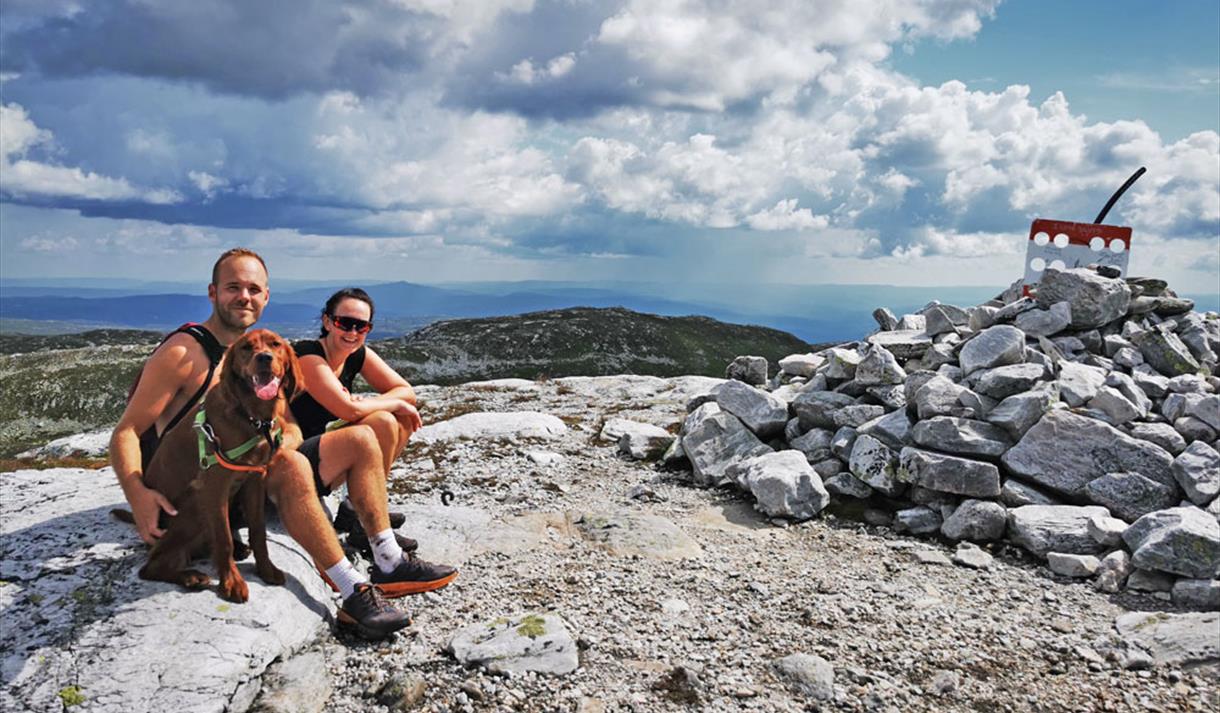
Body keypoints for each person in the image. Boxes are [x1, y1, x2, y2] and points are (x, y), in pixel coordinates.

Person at [109, 248, 414, 640]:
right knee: (292, 465)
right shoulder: (185, 353)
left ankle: (385, 554)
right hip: (201, 493)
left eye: (254, 289)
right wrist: (137, 493)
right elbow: (127, 431)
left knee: (360, 437)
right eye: (233, 287)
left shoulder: (261, 353)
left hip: (248, 481)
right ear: (213, 292)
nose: (244, 297)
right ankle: (353, 590)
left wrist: (280, 443)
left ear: (266, 297)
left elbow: (289, 425)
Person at [291, 287, 457, 594]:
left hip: (325, 451)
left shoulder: (357, 355)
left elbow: (406, 391)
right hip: (295, 464)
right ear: (327, 322)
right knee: (382, 419)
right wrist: (383, 403)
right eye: (345, 323)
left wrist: (385, 403)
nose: (353, 332)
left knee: (399, 418)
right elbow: (348, 409)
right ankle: (388, 560)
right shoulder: (307, 355)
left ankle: (357, 517)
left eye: (361, 326)